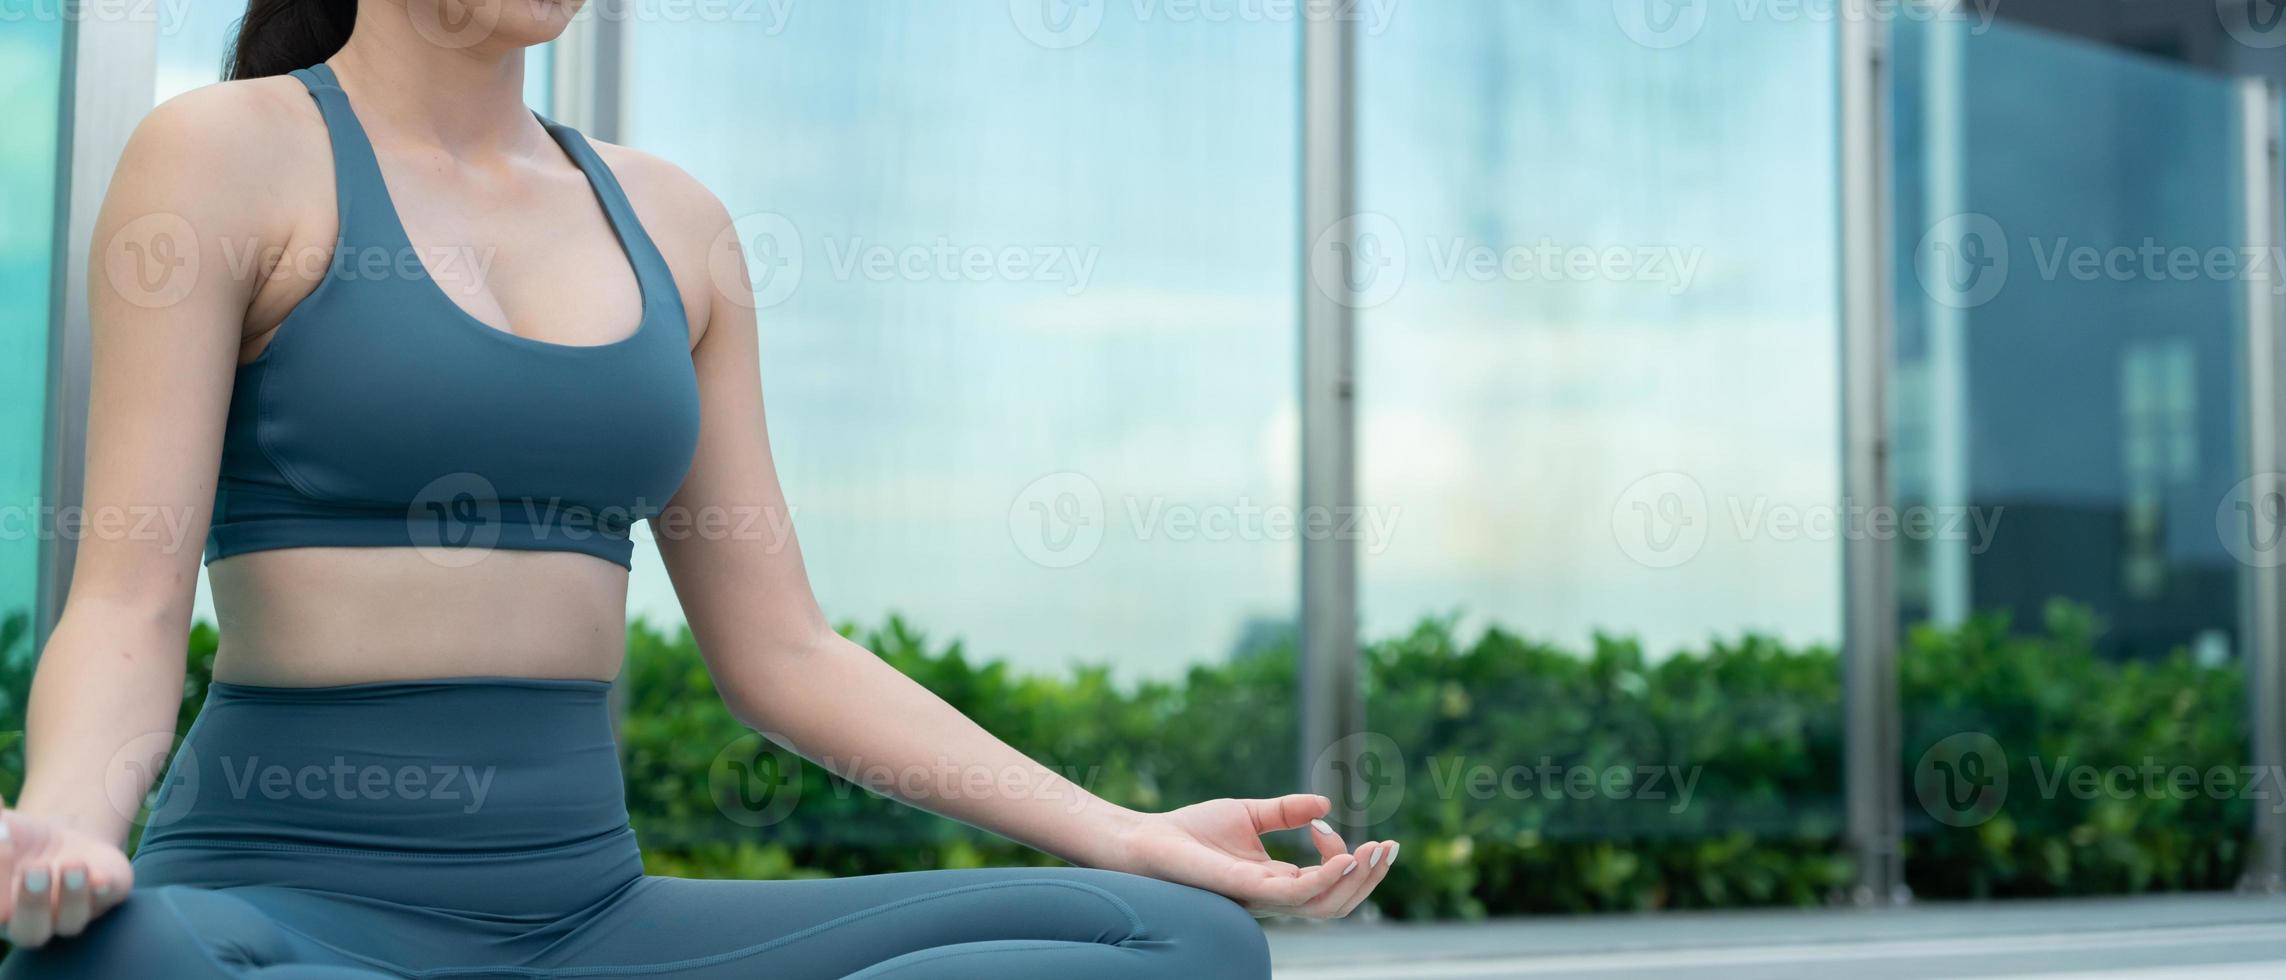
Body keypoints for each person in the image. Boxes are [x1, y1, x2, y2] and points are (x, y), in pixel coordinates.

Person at [0, 1, 1396, 976]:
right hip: (278, 915)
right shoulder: (224, 153)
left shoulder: (674, 221)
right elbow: (128, 599)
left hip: (585, 921)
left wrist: (1124, 832)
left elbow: (782, 651)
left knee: (1178, 940)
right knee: (122, 959)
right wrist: (66, 826)